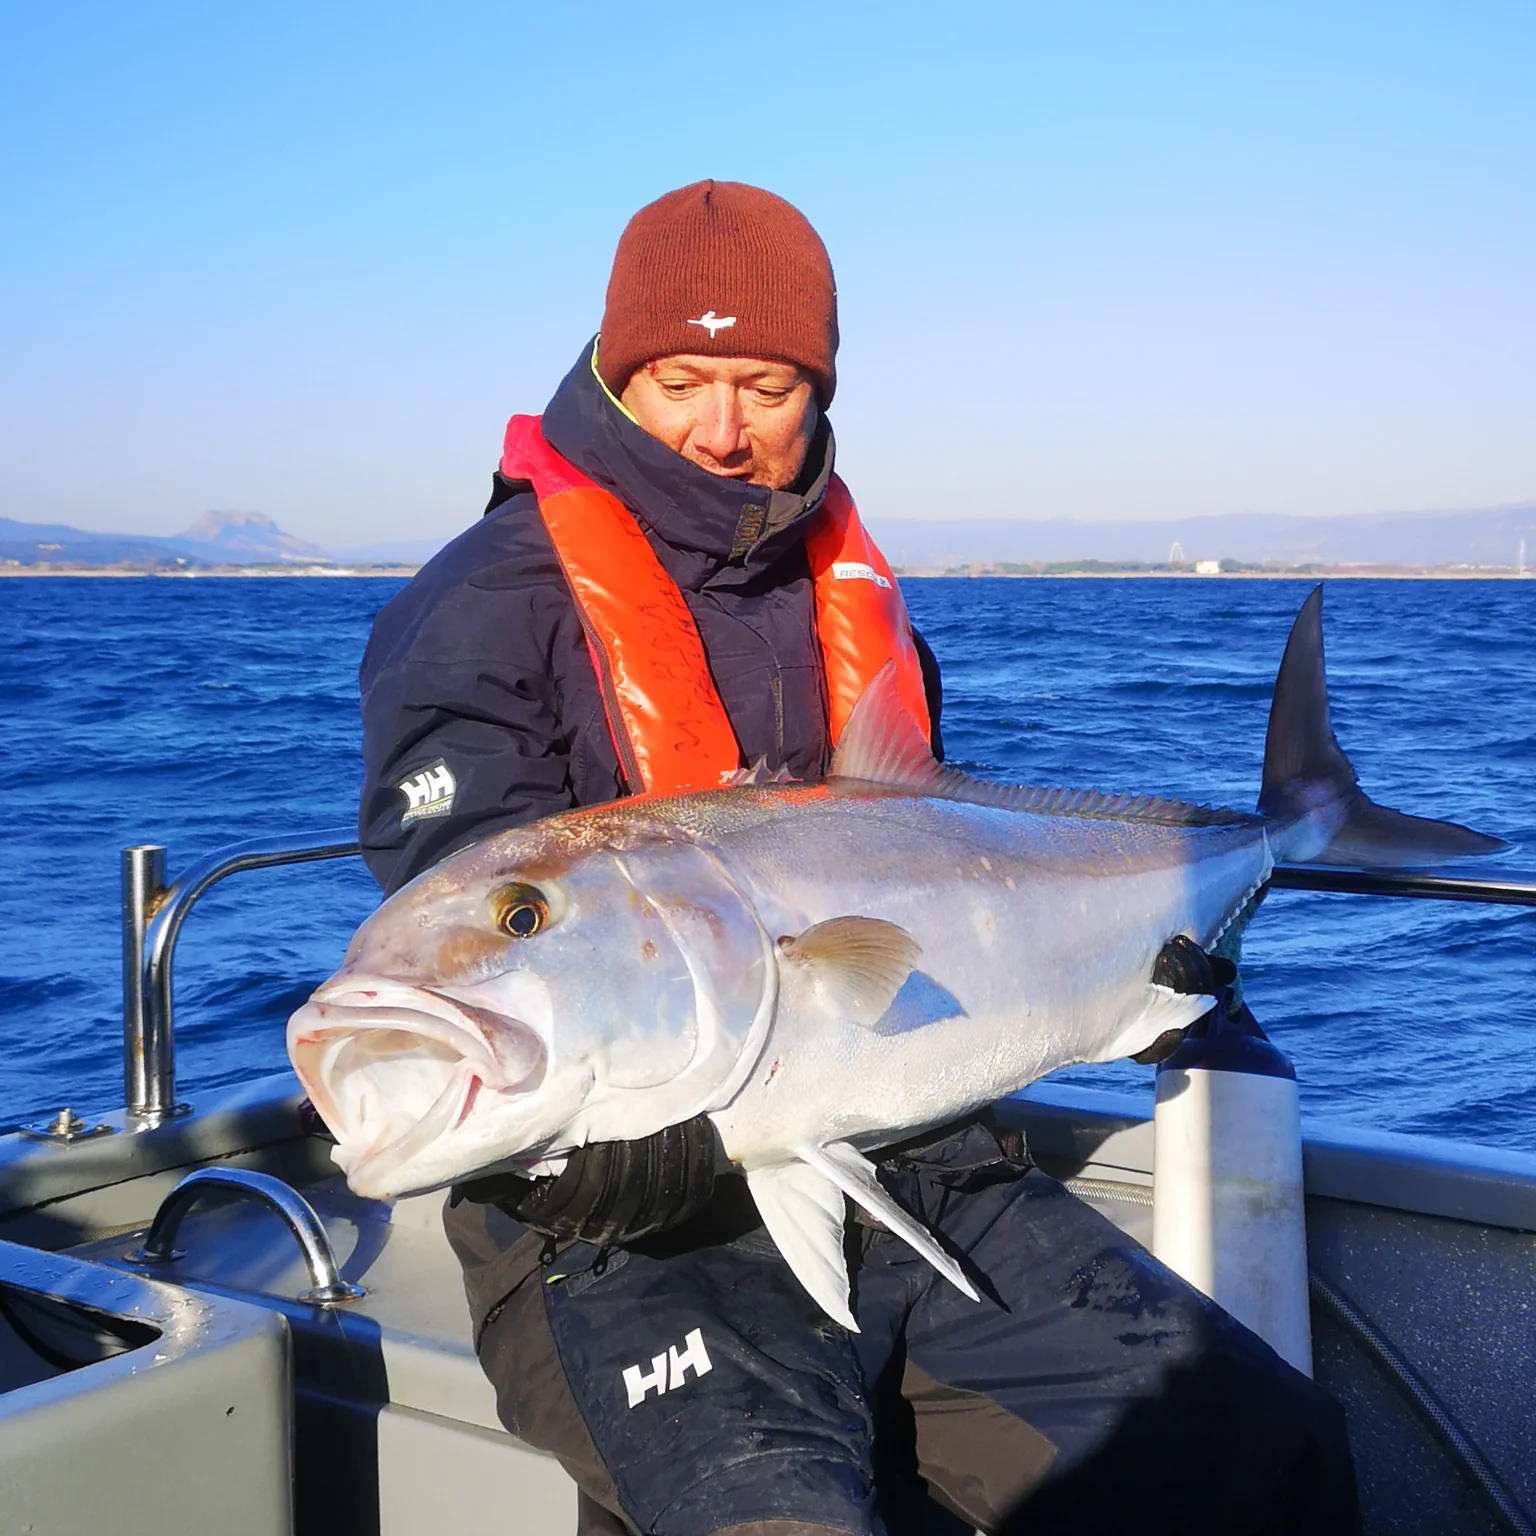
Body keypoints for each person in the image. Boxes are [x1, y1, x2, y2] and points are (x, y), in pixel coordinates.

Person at [358, 181, 1361, 1536]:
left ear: (819, 390)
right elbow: (474, 883)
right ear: (614, 369)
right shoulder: (485, 605)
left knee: (1265, 1457)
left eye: (766, 387)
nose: (722, 431)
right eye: (679, 381)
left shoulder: (853, 595)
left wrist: (1153, 969)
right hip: (612, 1229)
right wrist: (575, 1162)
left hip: (914, 1162)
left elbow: (952, 867)